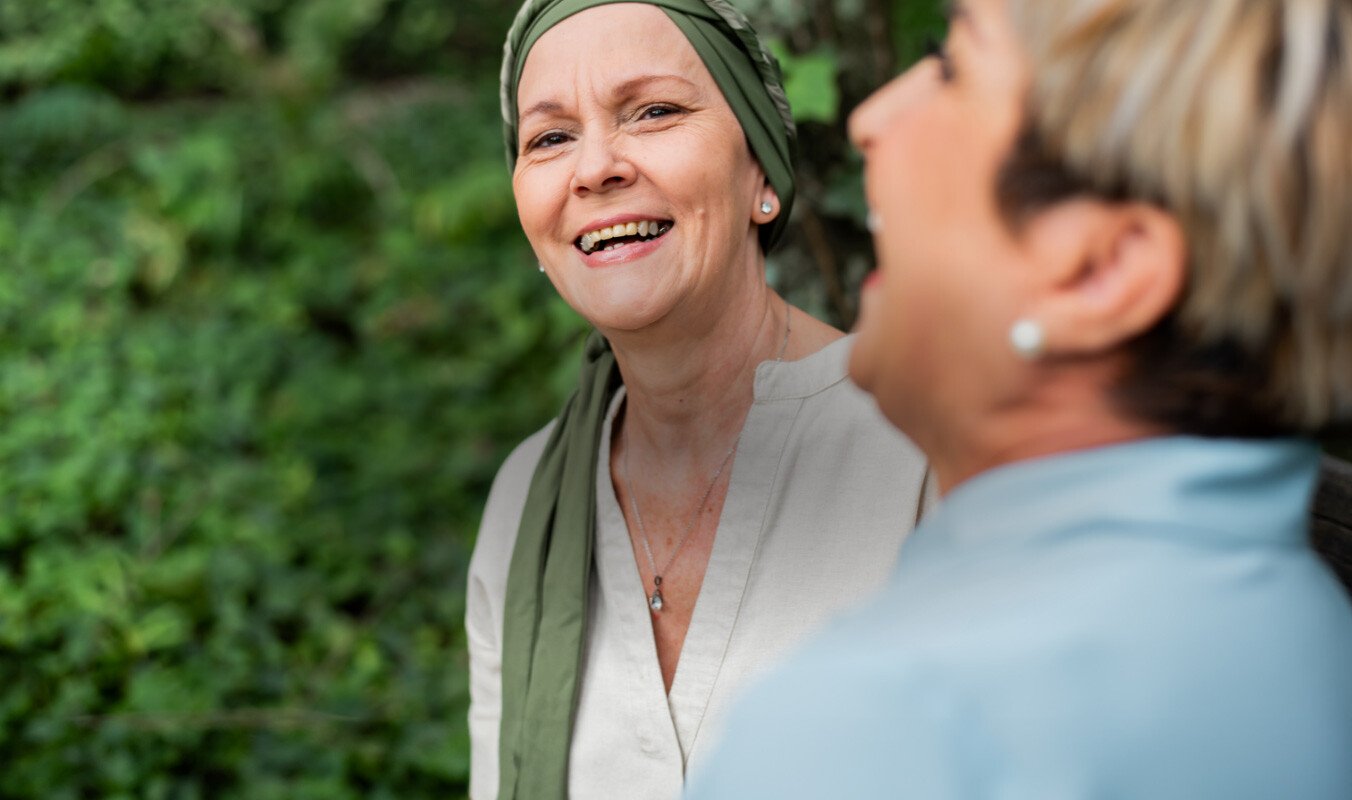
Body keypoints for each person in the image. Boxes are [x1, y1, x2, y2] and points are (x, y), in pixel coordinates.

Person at [687, 0, 1352, 797]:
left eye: (954, 66)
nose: (870, 117)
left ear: (1100, 270)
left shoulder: (885, 730)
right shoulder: (1304, 625)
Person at [466, 2, 929, 798]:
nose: (595, 167)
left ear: (762, 176)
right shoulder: (524, 505)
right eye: (549, 137)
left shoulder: (927, 447)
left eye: (653, 112)